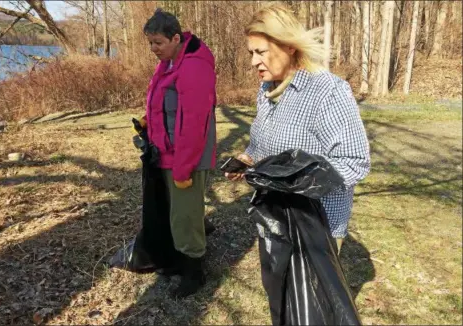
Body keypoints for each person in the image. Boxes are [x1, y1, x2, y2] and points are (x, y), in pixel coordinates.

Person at [225, 4, 371, 253]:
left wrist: (295, 180)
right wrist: (249, 159)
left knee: (312, 293)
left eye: (260, 52)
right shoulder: (267, 89)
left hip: (316, 227)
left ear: (289, 46)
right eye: (251, 52)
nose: (253, 61)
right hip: (274, 218)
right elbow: (265, 143)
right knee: (277, 290)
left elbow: (354, 161)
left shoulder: (327, 91)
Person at [140, 8, 217, 297]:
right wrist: (150, 122)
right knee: (176, 212)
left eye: (158, 42)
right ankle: (178, 259)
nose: (153, 49)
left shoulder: (194, 67)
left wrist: (184, 167)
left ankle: (195, 273)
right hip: (169, 152)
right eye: (150, 43)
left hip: (188, 157)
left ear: (176, 37)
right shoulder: (171, 62)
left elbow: (194, 124)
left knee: (185, 216)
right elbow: (165, 103)